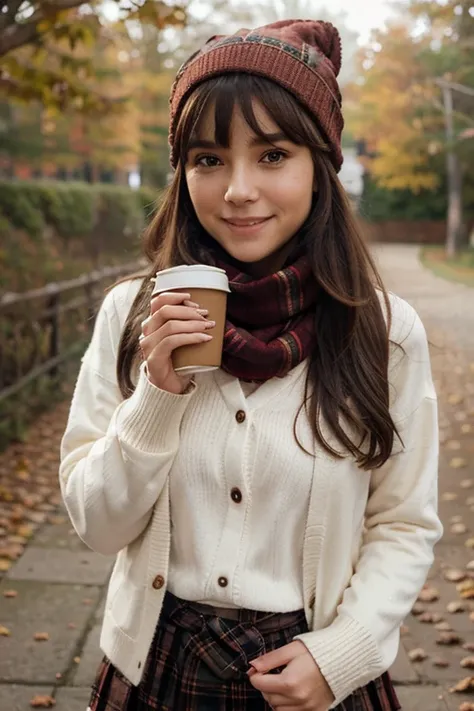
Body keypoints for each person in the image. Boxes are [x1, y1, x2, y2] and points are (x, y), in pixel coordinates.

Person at [59, 19, 442, 711]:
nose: (237, 188)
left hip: (314, 673)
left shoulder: (383, 334)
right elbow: (97, 524)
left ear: (319, 164)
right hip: (159, 669)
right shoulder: (130, 315)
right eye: (209, 158)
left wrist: (345, 649)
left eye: (272, 155)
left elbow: (404, 522)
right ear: (184, 172)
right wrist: (157, 392)